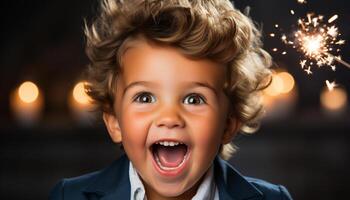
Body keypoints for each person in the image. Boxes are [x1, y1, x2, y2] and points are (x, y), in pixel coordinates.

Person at [50, 0, 293, 199]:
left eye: (194, 99)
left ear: (228, 124)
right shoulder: (69, 196)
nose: (169, 118)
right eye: (145, 97)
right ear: (114, 121)